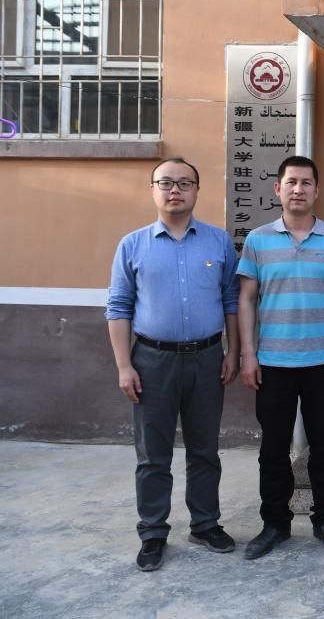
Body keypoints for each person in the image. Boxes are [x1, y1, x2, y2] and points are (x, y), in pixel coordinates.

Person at [106, 157, 240, 572]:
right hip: (152, 360)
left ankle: (205, 523)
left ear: (198, 190)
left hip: (207, 358)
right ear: (153, 189)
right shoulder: (132, 245)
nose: (175, 190)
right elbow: (118, 306)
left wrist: (233, 351)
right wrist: (124, 365)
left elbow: (231, 300)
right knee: (153, 454)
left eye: (184, 183)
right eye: (165, 183)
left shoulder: (218, 242)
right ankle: (152, 532)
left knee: (205, 449)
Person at [237, 156, 324, 559]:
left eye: (306, 183)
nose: (299, 189)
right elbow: (246, 299)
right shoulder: (258, 241)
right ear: (278, 189)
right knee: (273, 450)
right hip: (273, 363)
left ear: (317, 190)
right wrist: (248, 354)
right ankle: (275, 523)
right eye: (291, 182)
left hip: (323, 362)